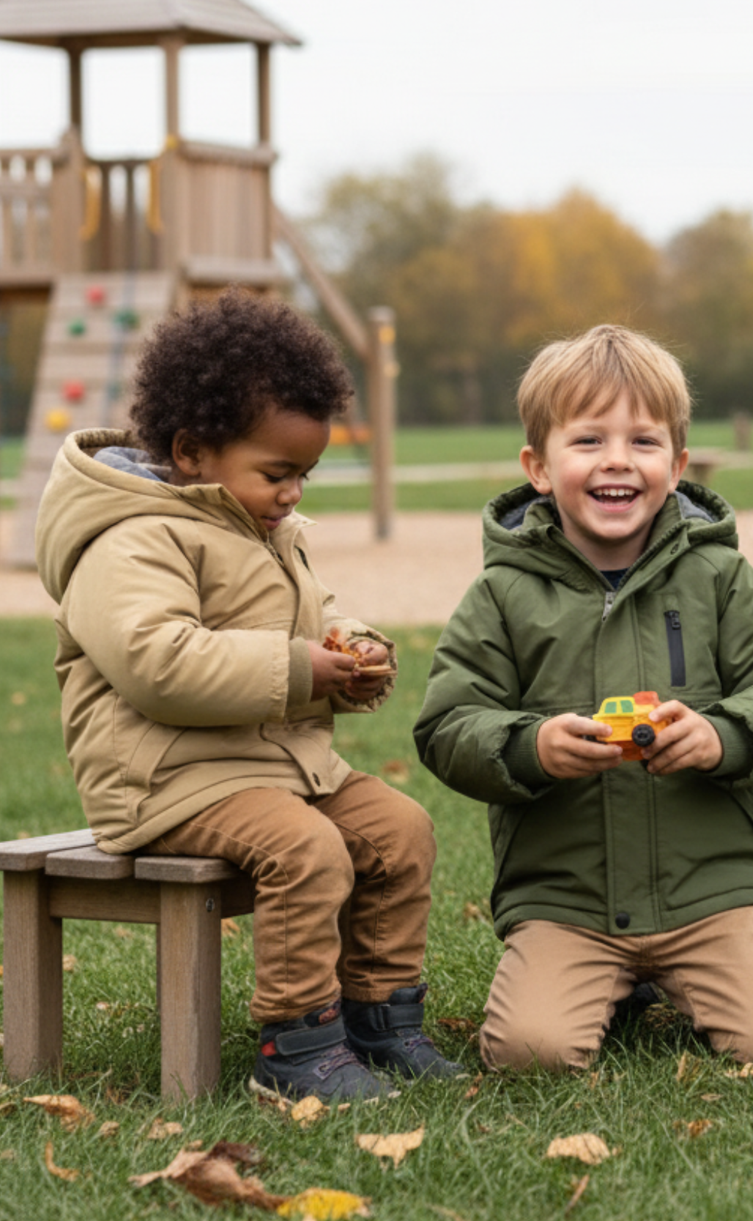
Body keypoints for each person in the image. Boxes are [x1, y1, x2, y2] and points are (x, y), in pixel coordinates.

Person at [34, 290, 462, 1099]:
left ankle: (381, 1019)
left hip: (267, 768)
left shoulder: (261, 528)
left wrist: (358, 647)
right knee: (307, 850)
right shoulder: (130, 538)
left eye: (304, 473)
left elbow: (318, 613)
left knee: (399, 829)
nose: (294, 492)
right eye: (278, 472)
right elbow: (156, 662)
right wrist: (300, 669)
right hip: (166, 778)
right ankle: (296, 1048)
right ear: (194, 451)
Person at [414, 324, 753, 1072]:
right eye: (587, 442)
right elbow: (448, 723)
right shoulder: (502, 595)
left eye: (642, 443)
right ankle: (618, 984)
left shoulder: (718, 579)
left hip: (708, 893)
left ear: (675, 467)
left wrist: (723, 736)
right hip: (567, 902)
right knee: (527, 1053)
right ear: (538, 467)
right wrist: (530, 748)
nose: (617, 461)